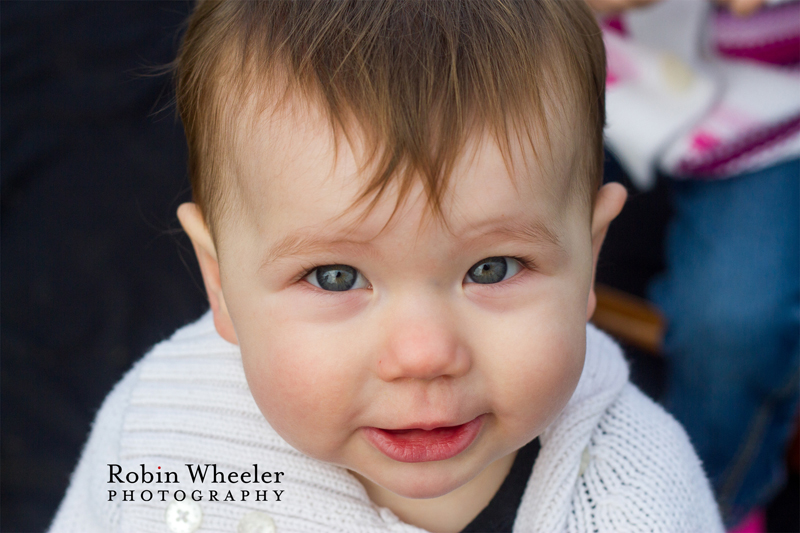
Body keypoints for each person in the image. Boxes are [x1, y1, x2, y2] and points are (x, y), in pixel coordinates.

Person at [48, 2, 724, 532]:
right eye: (335, 276)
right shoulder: (163, 442)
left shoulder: (640, 496)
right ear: (219, 278)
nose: (424, 354)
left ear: (588, 255)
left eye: (492, 267)